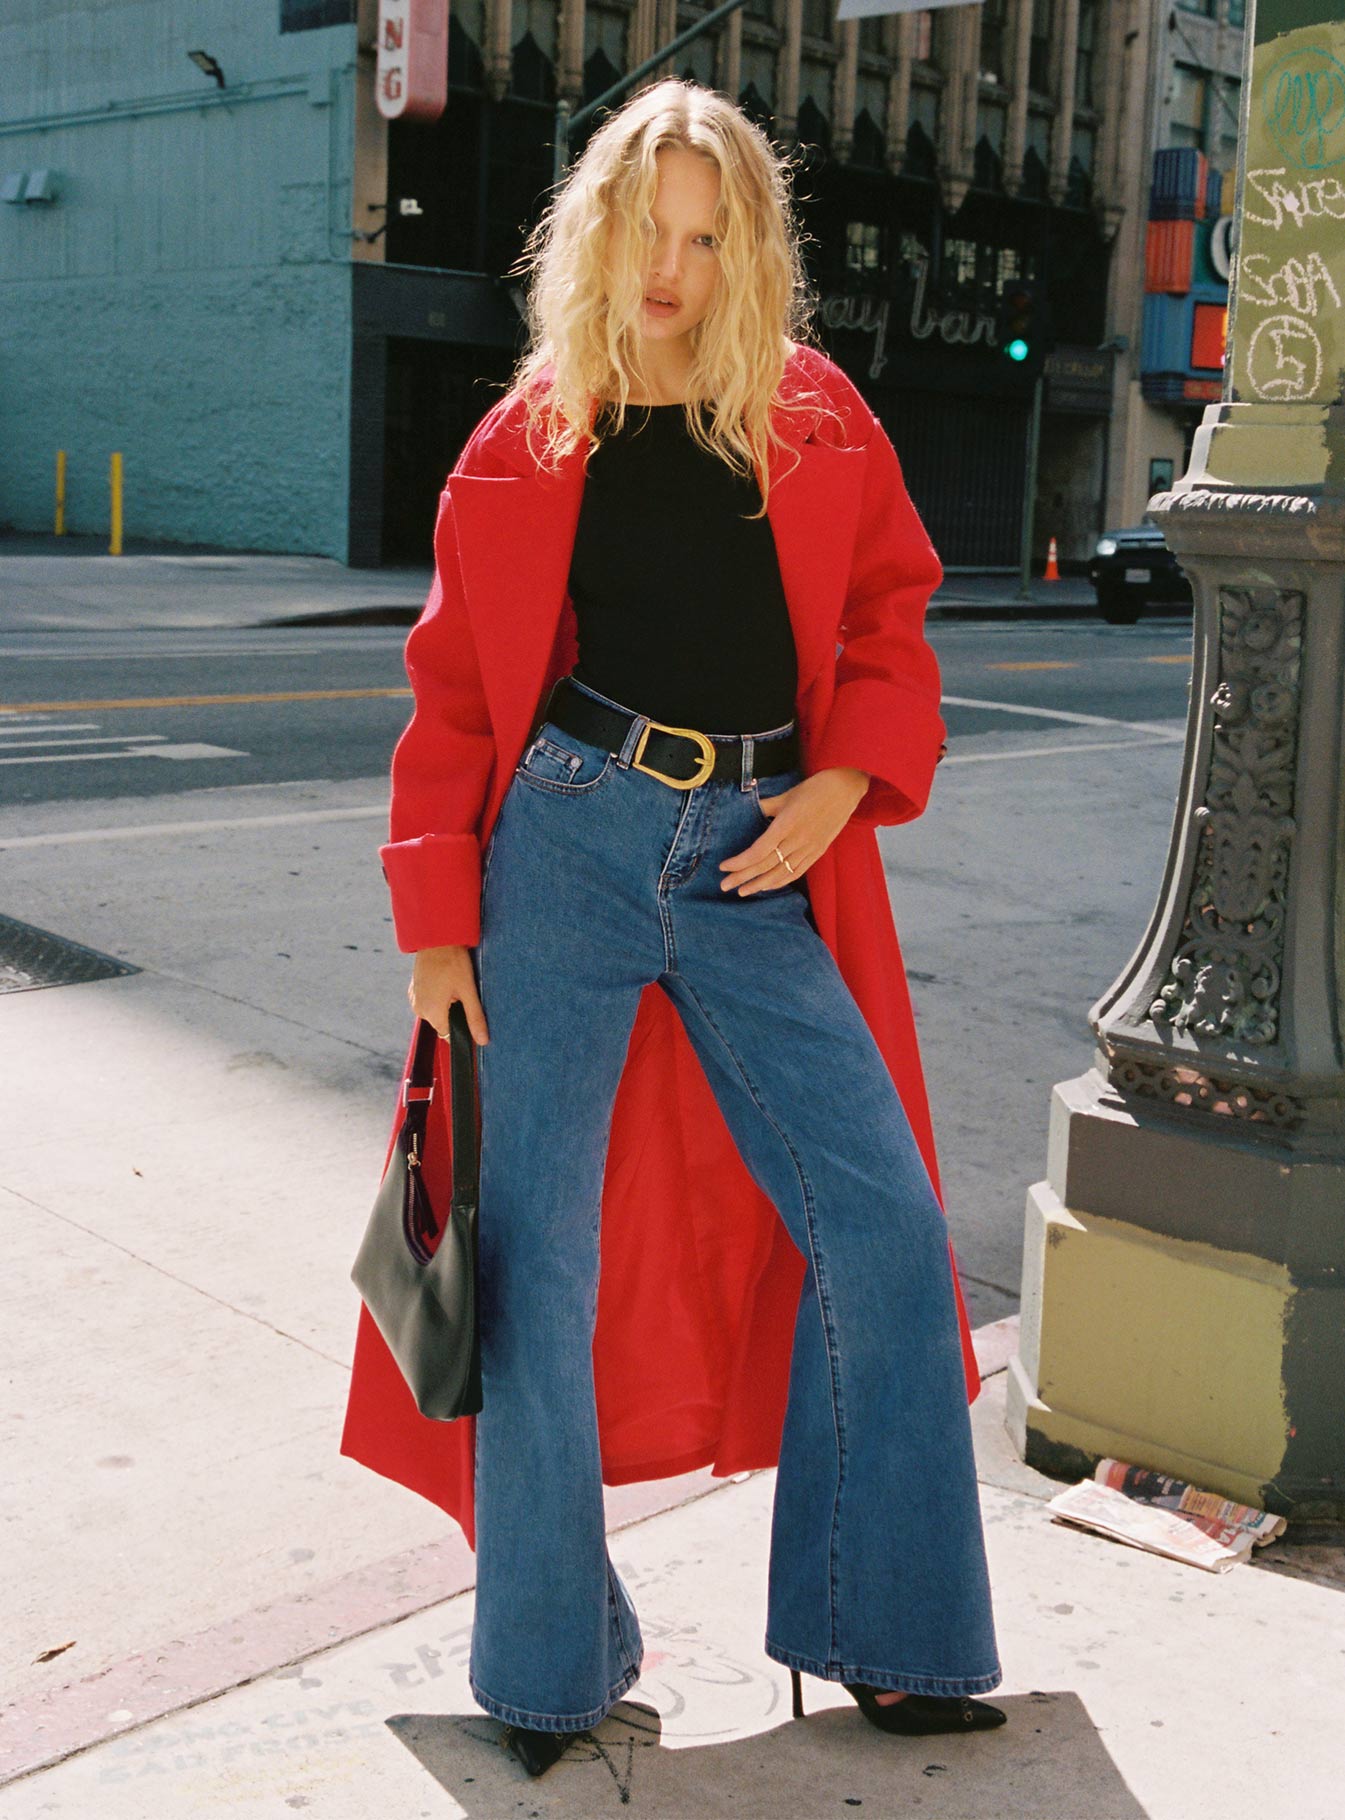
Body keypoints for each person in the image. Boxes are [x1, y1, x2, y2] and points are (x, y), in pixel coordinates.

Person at [385, 77, 1004, 1779]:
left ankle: (887, 1631)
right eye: (647, 231)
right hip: (566, 852)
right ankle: (548, 1667)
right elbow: (449, 690)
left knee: (880, 1231)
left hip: (753, 862)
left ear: (752, 246)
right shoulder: (530, 430)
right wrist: (438, 914)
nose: (673, 269)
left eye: (708, 236)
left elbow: (890, 616)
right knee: (536, 1268)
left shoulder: (808, 412)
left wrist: (847, 781)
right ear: (595, 230)